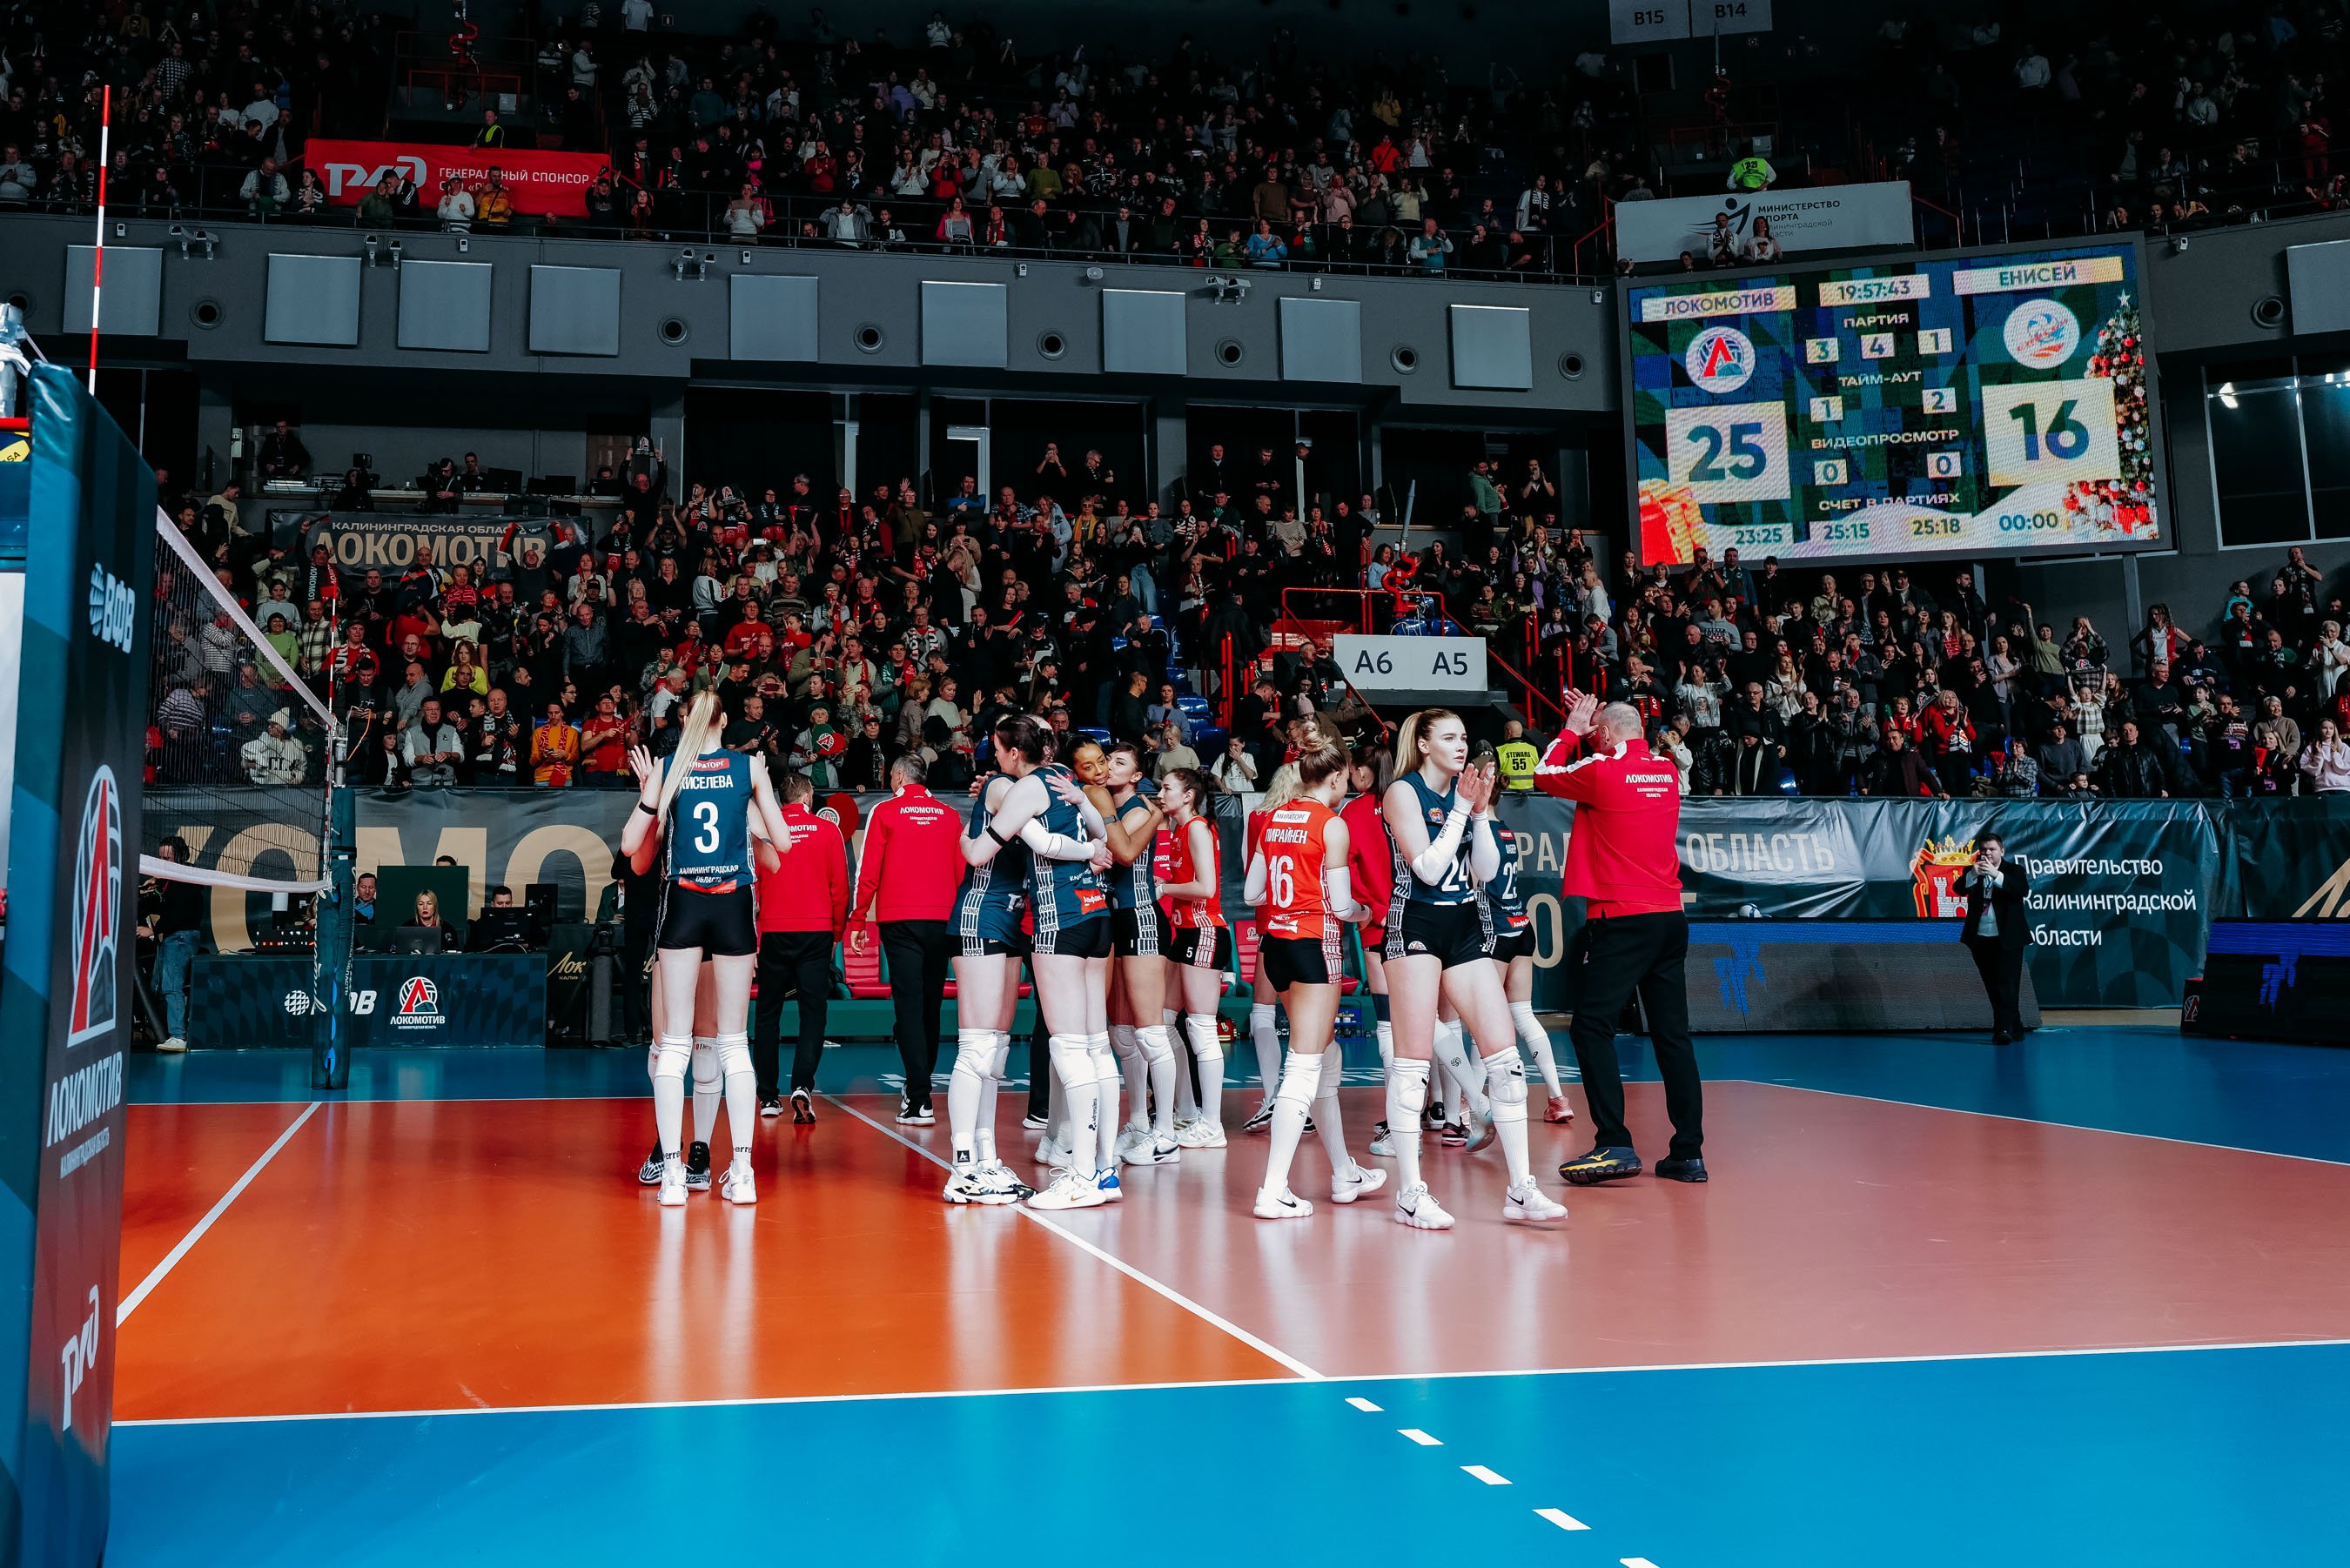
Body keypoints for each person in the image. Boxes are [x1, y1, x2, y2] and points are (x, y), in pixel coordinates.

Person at [1380, 708, 1567, 1229]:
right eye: (1449, 737)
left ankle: (1521, 1188)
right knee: (1412, 1067)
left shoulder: (1465, 797)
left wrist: (1479, 813)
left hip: (1465, 925)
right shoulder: (1403, 792)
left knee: (1506, 1062)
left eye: (1463, 737)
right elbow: (1428, 869)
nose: (1461, 745)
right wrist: (1463, 807)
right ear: (1423, 745)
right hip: (1415, 925)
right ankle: (1410, 1193)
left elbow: (1484, 871)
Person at [619, 692, 796, 1208]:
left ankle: (673, 1174)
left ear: (686, 721)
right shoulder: (748, 767)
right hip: (734, 904)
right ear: (725, 721)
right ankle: (742, 1171)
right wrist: (759, 794)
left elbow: (630, 848)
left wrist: (651, 792)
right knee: (733, 1044)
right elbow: (784, 846)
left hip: (685, 902)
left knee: (673, 1043)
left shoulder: (670, 768)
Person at [1533, 692, 1705, 1185]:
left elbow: (1545, 774)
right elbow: (1616, 762)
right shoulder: (1666, 771)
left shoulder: (1602, 771)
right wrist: (1599, 733)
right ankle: (1688, 1154)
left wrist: (1572, 730)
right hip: (1669, 917)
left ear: (1604, 735)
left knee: (1591, 1028)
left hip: (1622, 918)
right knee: (1673, 1036)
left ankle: (1614, 1143)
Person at [959, 718, 1119, 1210]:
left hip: (1059, 918)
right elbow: (1100, 830)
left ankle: (1082, 1174)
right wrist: (1092, 842)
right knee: (1096, 1048)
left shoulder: (1026, 788)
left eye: (997, 748)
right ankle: (1104, 1169)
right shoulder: (1065, 779)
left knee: (1068, 1049)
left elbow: (989, 851)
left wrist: (968, 836)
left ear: (1013, 751)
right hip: (1096, 913)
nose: (994, 756)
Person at [1244, 740, 1386, 1218]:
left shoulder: (1272, 819)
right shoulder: (1332, 824)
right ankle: (1273, 1189)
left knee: (1327, 1056)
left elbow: (1252, 893)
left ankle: (1344, 1171)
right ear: (1337, 777)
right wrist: (1366, 912)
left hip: (1276, 947)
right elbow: (1343, 907)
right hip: (1313, 948)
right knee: (1304, 1066)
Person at [850, 754, 965, 1124]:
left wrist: (858, 918)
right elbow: (962, 872)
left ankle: (919, 1098)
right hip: (943, 920)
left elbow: (868, 871)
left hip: (900, 920)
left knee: (909, 1008)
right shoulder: (950, 815)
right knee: (930, 1007)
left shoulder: (884, 811)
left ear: (898, 776)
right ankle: (919, 1090)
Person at [1098, 744, 1181, 1167]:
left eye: (1119, 763)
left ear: (1135, 776)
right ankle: (1137, 1123)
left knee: (1149, 1032)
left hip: (1142, 916)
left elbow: (1120, 852)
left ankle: (1166, 1134)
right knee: (1122, 1033)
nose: (1108, 767)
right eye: (1107, 760)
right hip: (1115, 918)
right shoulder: (1108, 806)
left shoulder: (1135, 808)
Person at [751, 770, 849, 1122]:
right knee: (813, 1012)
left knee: (767, 1015)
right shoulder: (828, 830)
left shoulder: (766, 831)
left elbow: (754, 886)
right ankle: (803, 1086)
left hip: (774, 931)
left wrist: (755, 938)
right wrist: (836, 933)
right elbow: (840, 887)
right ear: (808, 797)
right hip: (816, 931)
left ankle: (768, 1097)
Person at [1156, 767, 1236, 1149]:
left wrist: (1164, 888)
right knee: (1164, 1021)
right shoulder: (1178, 829)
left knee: (1201, 1029)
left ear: (1188, 796)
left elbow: (1206, 887)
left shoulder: (1198, 828)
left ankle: (1212, 1124)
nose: (1160, 794)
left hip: (1205, 931)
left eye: (1167, 788)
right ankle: (1187, 1110)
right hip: (1186, 932)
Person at [1480, 802, 1574, 1123]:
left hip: (1495, 928)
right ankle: (1558, 1098)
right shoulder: (1505, 829)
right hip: (1521, 924)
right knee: (1523, 1013)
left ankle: (1468, 1103)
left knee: (1483, 1020)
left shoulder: (1478, 831)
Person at [1957, 832, 2032, 1044]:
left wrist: (1996, 875)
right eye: (1984, 850)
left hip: (2008, 938)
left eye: (1992, 849)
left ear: (2002, 851)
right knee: (1992, 985)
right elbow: (1958, 889)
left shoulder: (2014, 871)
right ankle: (2016, 1027)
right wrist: (1973, 874)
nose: (1988, 853)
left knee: (2007, 984)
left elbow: (2021, 890)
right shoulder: (1973, 871)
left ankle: (2003, 1030)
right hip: (1980, 937)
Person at [144, 837, 205, 1053]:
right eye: (160, 858)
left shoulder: (185, 880)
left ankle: (178, 1036)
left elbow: (176, 913)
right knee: (157, 986)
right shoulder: (172, 880)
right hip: (172, 937)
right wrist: (155, 885)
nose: (162, 862)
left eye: (167, 858)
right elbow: (165, 903)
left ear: (181, 857)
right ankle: (164, 1032)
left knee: (171, 986)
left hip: (180, 938)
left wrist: (151, 931)